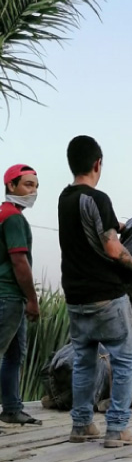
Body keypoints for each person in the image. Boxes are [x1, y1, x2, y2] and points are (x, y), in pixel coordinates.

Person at [58, 135, 132, 448]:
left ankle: (81, 424)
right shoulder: (98, 198)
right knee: (124, 360)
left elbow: (92, 227)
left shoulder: (65, 199)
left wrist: (119, 223)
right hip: (106, 297)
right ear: (97, 164)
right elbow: (112, 248)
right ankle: (117, 428)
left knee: (83, 361)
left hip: (76, 299)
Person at [0, 164, 42, 426]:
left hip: (11, 296)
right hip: (9, 296)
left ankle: (12, 408)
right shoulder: (12, 217)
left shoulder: (7, 214)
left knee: (15, 355)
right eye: (28, 185)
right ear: (11, 186)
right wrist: (33, 299)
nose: (33, 191)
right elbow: (19, 262)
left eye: (36, 186)